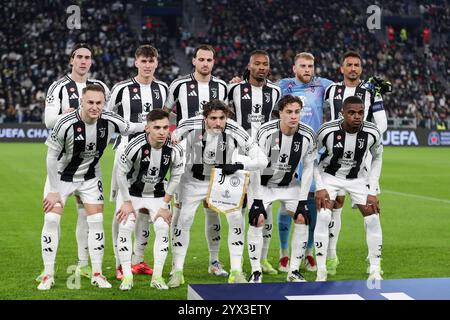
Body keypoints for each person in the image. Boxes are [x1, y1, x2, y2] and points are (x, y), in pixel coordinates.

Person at [37, 84, 145, 290]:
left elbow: (130, 127)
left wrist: (150, 125)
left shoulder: (110, 119)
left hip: (90, 178)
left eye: (99, 103)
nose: (95, 107)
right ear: (81, 102)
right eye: (90, 103)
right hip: (61, 178)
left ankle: (97, 273)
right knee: (51, 219)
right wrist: (52, 189)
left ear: (104, 103)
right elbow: (51, 157)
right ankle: (48, 275)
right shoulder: (65, 123)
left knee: (96, 222)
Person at [167, 100, 268, 287]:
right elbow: (172, 139)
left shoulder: (235, 129)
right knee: (185, 219)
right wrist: (174, 141)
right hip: (192, 180)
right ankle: (177, 270)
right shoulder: (190, 125)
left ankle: (236, 271)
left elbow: (262, 159)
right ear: (205, 118)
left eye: (222, 118)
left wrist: (239, 165)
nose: (218, 123)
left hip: (222, 179)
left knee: (236, 218)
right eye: (213, 118)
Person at [37, 43, 109, 282]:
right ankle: (48, 271)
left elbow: (106, 118)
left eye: (87, 57)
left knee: (86, 217)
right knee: (51, 217)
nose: (83, 61)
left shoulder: (99, 88)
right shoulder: (58, 87)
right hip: (62, 166)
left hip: (90, 167)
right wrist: (69, 114)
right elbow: (48, 121)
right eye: (79, 57)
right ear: (71, 59)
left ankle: (84, 264)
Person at [163, 45, 229, 277]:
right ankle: (175, 264)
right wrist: (176, 133)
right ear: (193, 61)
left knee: (213, 212)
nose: (205, 63)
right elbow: (165, 112)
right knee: (181, 213)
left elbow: (227, 116)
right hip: (186, 162)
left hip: (214, 160)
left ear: (213, 61)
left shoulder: (222, 86)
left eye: (209, 59)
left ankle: (214, 261)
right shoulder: (179, 85)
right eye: (201, 59)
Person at [323, 51, 388, 276]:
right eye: (348, 65)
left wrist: (363, 138)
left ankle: (374, 263)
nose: (353, 68)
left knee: (371, 211)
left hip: (363, 160)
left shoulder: (371, 91)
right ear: (341, 68)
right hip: (335, 157)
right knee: (333, 208)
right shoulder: (331, 89)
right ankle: (331, 256)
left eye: (357, 65)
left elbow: (382, 124)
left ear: (361, 68)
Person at [108, 45, 169, 280]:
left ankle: (138, 260)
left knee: (145, 207)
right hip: (125, 150)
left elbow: (167, 116)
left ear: (156, 63)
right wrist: (127, 129)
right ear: (136, 62)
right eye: (143, 61)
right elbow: (107, 113)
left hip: (153, 153)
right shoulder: (121, 89)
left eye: (151, 61)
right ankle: (118, 263)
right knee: (122, 208)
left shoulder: (163, 88)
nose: (147, 65)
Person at [313, 96, 383, 282]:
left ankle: (375, 267)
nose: (357, 116)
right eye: (351, 112)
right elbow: (310, 157)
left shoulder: (372, 131)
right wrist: (320, 187)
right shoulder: (326, 130)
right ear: (342, 113)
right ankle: (321, 270)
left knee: (373, 218)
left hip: (358, 178)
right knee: (324, 215)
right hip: (330, 176)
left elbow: (377, 158)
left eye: (360, 112)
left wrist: (372, 190)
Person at [247, 95, 316, 283]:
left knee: (303, 217)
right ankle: (255, 271)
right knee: (257, 219)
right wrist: (258, 200)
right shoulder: (266, 132)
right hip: (263, 185)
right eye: (289, 112)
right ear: (280, 113)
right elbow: (255, 165)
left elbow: (309, 167)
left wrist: (302, 200)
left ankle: (293, 271)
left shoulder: (308, 134)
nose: (294, 116)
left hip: (290, 185)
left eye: (297, 112)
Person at [114, 109, 184, 290]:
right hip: (132, 193)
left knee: (162, 227)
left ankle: (157, 277)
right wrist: (126, 202)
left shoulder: (175, 148)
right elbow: (120, 173)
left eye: (165, 127)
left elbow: (176, 177)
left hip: (158, 194)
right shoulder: (134, 146)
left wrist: (164, 205)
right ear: (147, 128)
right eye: (157, 127)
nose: (162, 132)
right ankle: (127, 277)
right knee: (126, 226)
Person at [276, 52, 333, 273]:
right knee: (286, 202)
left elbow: (346, 89)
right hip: (288, 150)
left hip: (314, 152)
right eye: (303, 66)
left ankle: (308, 251)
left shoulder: (322, 85)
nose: (307, 69)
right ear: (294, 68)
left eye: (310, 65)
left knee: (311, 203)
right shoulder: (283, 85)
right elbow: (262, 91)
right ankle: (283, 253)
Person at [227, 49, 281, 275]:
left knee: (265, 209)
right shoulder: (235, 89)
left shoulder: (275, 91)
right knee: (237, 210)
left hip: (266, 157)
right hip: (240, 155)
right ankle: (236, 265)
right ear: (249, 66)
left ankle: (263, 259)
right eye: (257, 64)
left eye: (265, 64)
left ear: (269, 67)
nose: (261, 67)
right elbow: (219, 112)